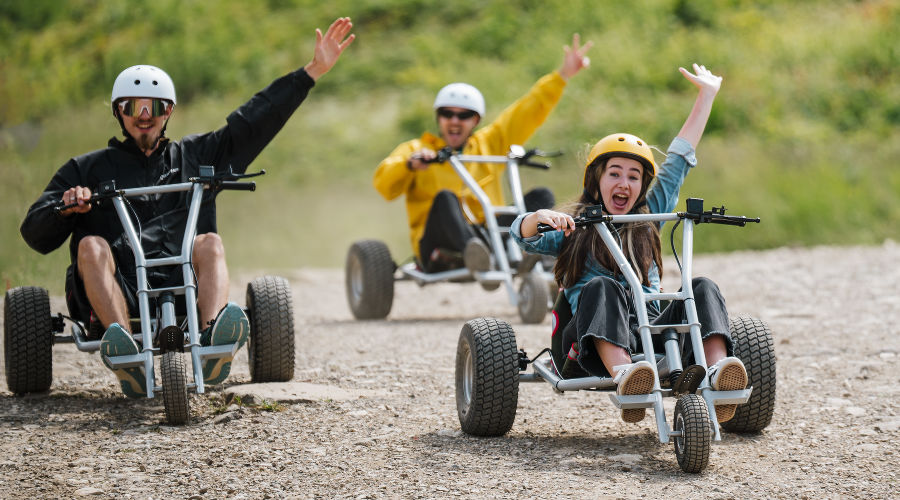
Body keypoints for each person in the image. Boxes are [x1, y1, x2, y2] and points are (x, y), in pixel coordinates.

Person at [20, 18, 355, 397]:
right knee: (90, 246)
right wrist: (65, 207)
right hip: (120, 287)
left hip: (185, 282)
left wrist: (310, 73)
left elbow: (254, 121)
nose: (144, 115)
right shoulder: (86, 169)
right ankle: (127, 354)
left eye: (154, 107)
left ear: (169, 111)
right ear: (118, 111)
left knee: (209, 242)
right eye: (133, 106)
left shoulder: (196, 156)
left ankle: (212, 344)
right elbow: (34, 231)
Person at [511, 64, 748, 424]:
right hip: (586, 344)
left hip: (651, 334)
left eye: (633, 176)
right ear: (597, 180)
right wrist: (537, 218)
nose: (624, 182)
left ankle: (718, 371)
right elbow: (522, 238)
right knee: (602, 285)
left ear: (641, 187)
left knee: (701, 286)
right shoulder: (574, 228)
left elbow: (679, 161)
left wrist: (707, 96)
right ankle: (626, 377)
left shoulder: (649, 215)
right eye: (615, 173)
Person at [373, 34, 593, 274]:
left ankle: (528, 251)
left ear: (475, 120)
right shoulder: (416, 150)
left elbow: (526, 112)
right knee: (446, 198)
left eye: (464, 115)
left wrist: (562, 75)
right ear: (439, 117)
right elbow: (383, 184)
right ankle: (475, 251)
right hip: (438, 243)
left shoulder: (489, 142)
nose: (454, 121)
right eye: (447, 114)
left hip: (488, 233)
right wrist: (409, 165)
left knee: (542, 196)